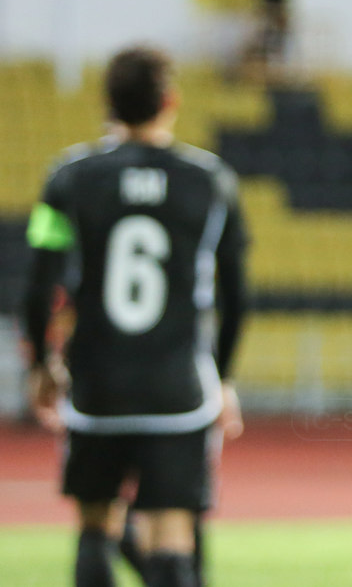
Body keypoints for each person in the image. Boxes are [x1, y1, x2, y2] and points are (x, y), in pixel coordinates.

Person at [21, 45, 249, 587]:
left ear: (109, 103)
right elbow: (238, 294)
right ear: (170, 101)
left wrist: (41, 364)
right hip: (177, 390)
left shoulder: (66, 179)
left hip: (96, 386)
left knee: (95, 527)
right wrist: (223, 376)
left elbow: (37, 285)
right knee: (172, 535)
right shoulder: (212, 181)